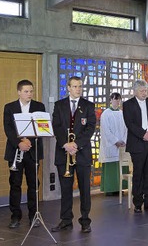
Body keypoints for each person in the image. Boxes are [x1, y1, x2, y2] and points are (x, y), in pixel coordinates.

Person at [51, 76, 96, 233]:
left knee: (84, 188)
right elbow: (56, 126)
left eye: (80, 86)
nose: (78, 89)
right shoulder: (59, 105)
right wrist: (66, 144)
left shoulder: (88, 106)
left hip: (82, 153)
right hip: (63, 153)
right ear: (68, 88)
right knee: (65, 188)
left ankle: (85, 221)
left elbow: (90, 128)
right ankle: (65, 220)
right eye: (75, 86)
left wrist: (76, 144)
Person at [3, 79, 46, 229]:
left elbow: (42, 127)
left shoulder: (39, 106)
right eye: (26, 91)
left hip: (32, 150)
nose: (29, 94)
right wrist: (19, 142)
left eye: (31, 91)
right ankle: (15, 216)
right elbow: (8, 129)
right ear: (19, 92)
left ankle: (34, 215)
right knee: (15, 184)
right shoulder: (9, 107)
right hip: (16, 150)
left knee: (33, 184)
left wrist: (29, 142)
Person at [123, 80, 148, 213]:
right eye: (142, 91)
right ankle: (138, 203)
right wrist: (143, 134)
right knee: (138, 174)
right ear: (135, 91)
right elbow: (130, 123)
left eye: (146, 90)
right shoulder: (128, 105)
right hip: (137, 144)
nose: (145, 93)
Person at [98, 93, 126, 195]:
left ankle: (119, 188)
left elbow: (126, 128)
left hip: (121, 145)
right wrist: (115, 141)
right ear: (110, 100)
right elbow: (105, 130)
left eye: (119, 100)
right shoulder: (106, 114)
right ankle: (110, 189)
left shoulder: (122, 113)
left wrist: (123, 140)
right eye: (115, 99)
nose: (117, 102)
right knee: (111, 167)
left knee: (120, 166)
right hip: (110, 145)